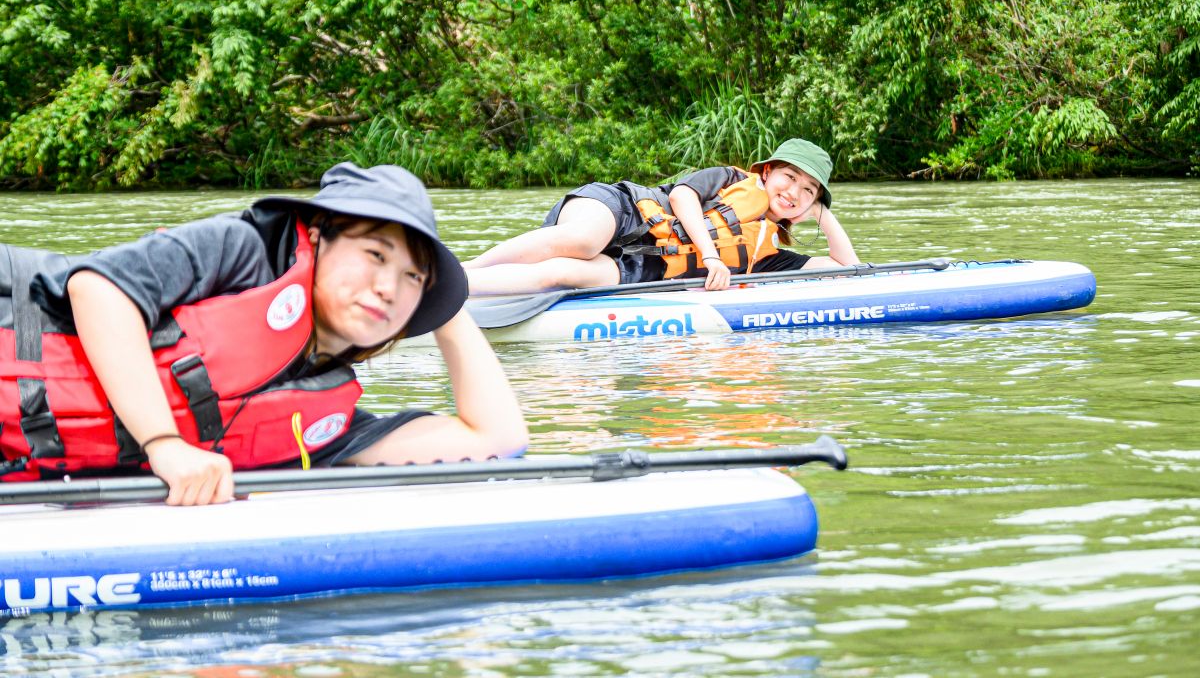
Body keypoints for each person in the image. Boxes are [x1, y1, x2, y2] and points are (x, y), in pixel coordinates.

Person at [1, 163, 528, 505]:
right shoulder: (241, 250)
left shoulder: (329, 426)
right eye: (374, 255)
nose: (389, 288)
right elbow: (99, 289)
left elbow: (497, 441)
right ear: (317, 237)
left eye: (412, 277)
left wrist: (445, 304)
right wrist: (165, 444)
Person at [463, 138, 859, 295]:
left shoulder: (768, 255)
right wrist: (711, 256)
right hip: (623, 211)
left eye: (808, 190)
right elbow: (684, 196)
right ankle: (461, 271)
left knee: (561, 273)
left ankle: (462, 292)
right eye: (790, 177)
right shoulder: (730, 179)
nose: (794, 192)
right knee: (580, 242)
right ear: (767, 172)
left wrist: (822, 213)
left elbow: (847, 267)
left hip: (640, 269)